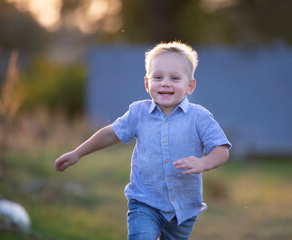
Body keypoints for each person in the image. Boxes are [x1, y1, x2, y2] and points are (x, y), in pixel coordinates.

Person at [55, 41, 231, 240]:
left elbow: (221, 149)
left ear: (190, 86)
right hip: (144, 202)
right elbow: (110, 134)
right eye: (158, 77)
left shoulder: (199, 117)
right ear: (147, 84)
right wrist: (77, 153)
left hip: (183, 209)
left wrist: (203, 162)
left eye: (174, 78)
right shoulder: (138, 113)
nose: (165, 83)